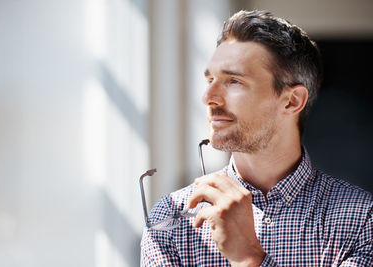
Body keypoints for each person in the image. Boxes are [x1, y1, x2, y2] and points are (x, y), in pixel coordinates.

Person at [141, 10, 373, 266]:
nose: (208, 97)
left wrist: (249, 257)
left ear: (291, 101)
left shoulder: (362, 219)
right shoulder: (170, 218)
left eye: (234, 81)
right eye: (210, 79)